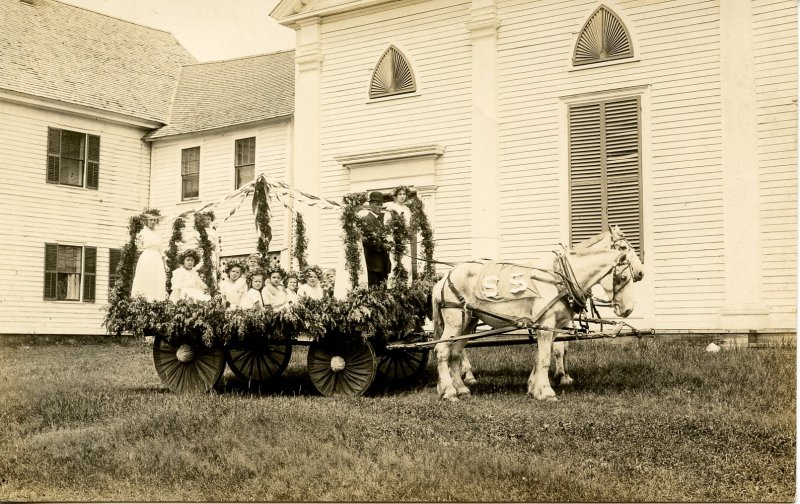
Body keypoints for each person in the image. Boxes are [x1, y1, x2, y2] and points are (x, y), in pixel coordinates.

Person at [130, 209, 167, 301]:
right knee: (146, 278)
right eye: (151, 220)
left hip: (157, 259)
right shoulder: (142, 233)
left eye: (154, 220)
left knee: (157, 278)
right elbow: (139, 247)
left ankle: (156, 301)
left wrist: (165, 264)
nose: (153, 222)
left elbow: (161, 250)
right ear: (146, 221)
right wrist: (138, 240)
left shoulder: (158, 233)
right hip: (147, 258)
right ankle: (143, 300)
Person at [359, 191, 392, 287]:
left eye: (381, 204)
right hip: (373, 264)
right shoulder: (365, 220)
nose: (380, 207)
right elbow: (366, 241)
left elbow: (383, 238)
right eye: (377, 204)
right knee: (374, 293)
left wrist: (389, 243)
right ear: (370, 204)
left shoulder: (382, 220)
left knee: (383, 293)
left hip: (383, 264)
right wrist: (382, 245)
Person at [383, 185, 413, 287]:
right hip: (395, 240)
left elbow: (408, 226)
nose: (402, 196)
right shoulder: (391, 207)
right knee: (395, 263)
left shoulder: (407, 209)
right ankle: (393, 287)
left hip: (405, 240)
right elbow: (387, 227)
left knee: (406, 262)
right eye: (400, 194)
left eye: (404, 194)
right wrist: (391, 240)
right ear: (395, 196)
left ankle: (406, 286)